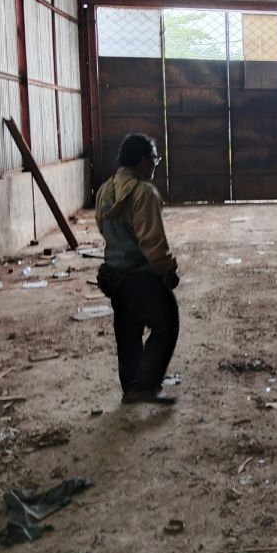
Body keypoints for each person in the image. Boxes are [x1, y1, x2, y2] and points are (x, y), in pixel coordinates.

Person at [95, 134, 180, 405]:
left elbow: (102, 227)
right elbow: (152, 241)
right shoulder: (144, 193)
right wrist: (167, 271)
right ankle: (144, 386)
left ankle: (131, 386)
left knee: (128, 331)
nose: (155, 164)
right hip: (139, 274)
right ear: (143, 160)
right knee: (167, 322)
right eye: (154, 159)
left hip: (114, 274)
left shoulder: (105, 189)